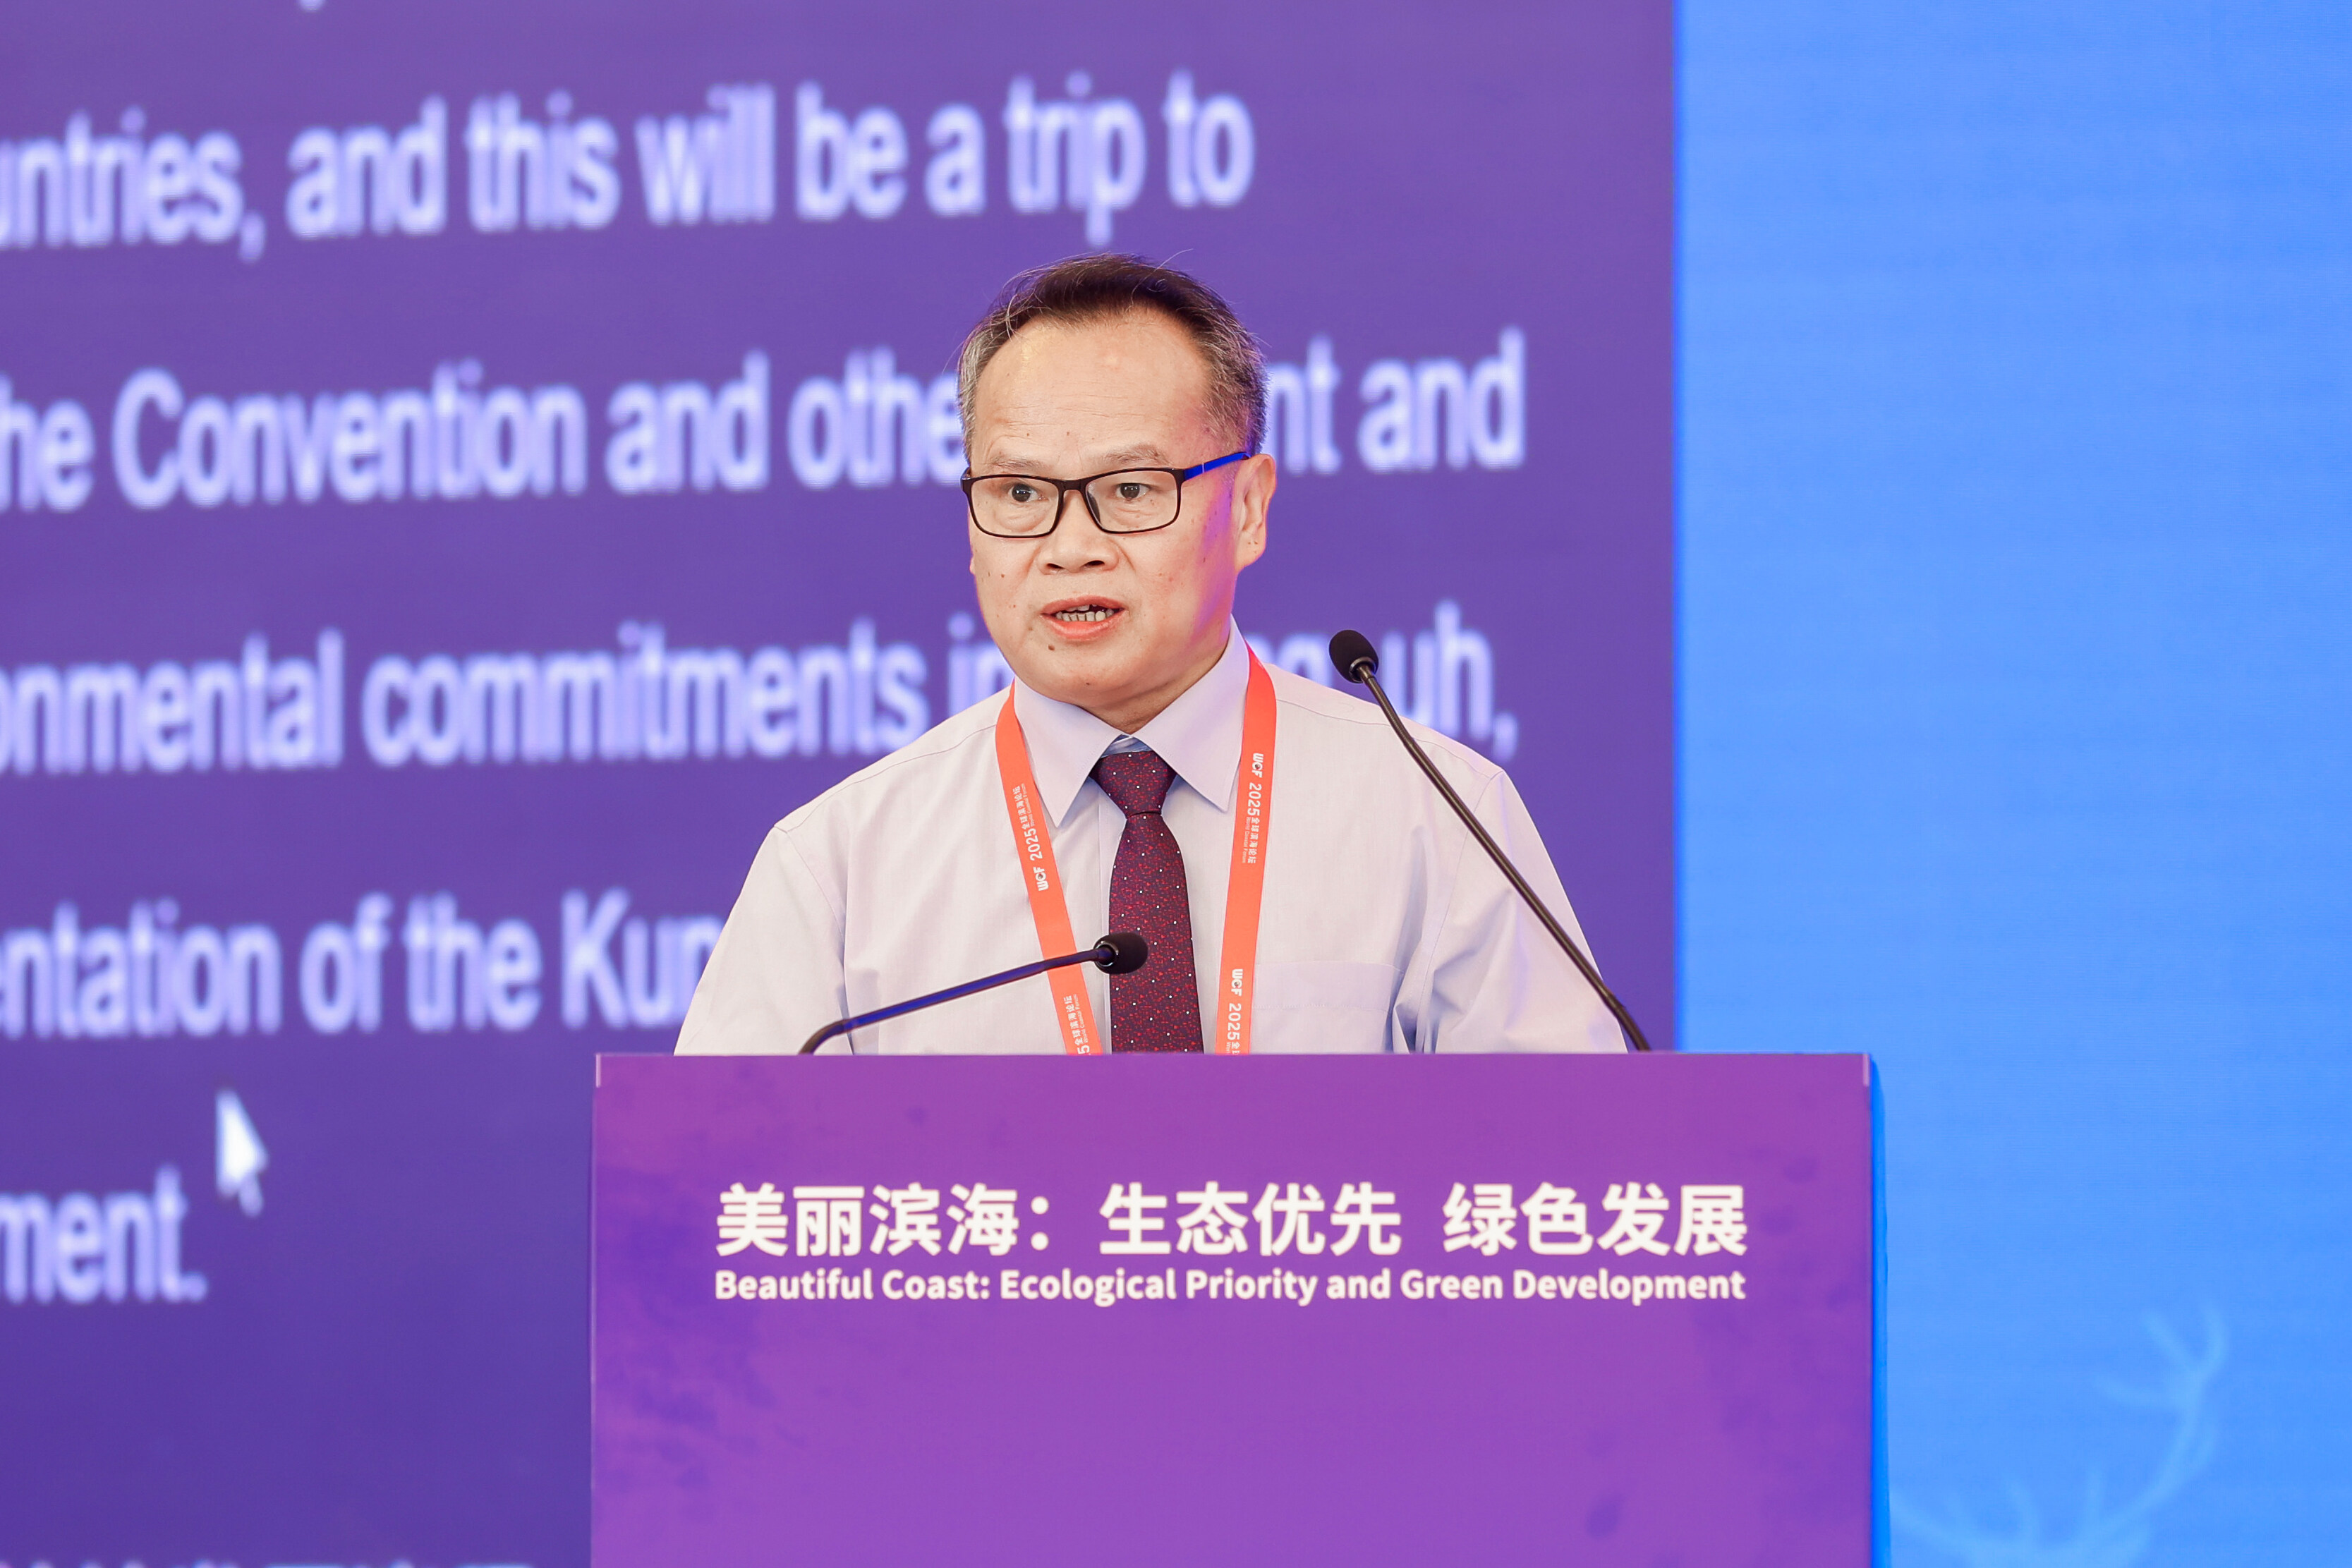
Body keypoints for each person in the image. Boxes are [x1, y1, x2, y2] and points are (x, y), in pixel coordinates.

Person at [676, 255, 1624, 1055]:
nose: (1069, 546)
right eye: (1018, 494)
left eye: (1130, 489)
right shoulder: (840, 865)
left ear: (1247, 508)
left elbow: (1567, 1166)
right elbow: (718, 1197)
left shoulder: (1432, 815)